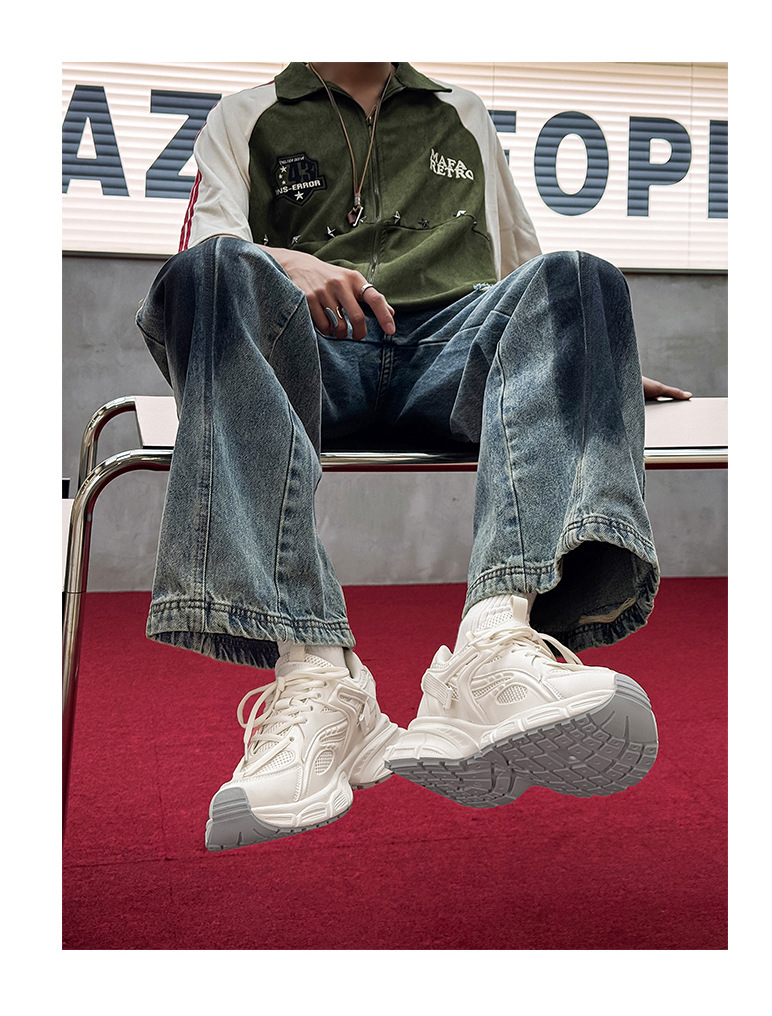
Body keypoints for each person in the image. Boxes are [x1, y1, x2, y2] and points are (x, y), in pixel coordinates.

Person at [136, 62, 690, 851]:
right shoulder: (245, 114)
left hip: (449, 349)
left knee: (582, 278)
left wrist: (584, 348)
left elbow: (524, 268)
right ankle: (317, 672)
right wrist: (291, 261)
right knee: (208, 272)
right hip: (312, 350)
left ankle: (496, 643)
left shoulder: (462, 113)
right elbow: (207, 246)